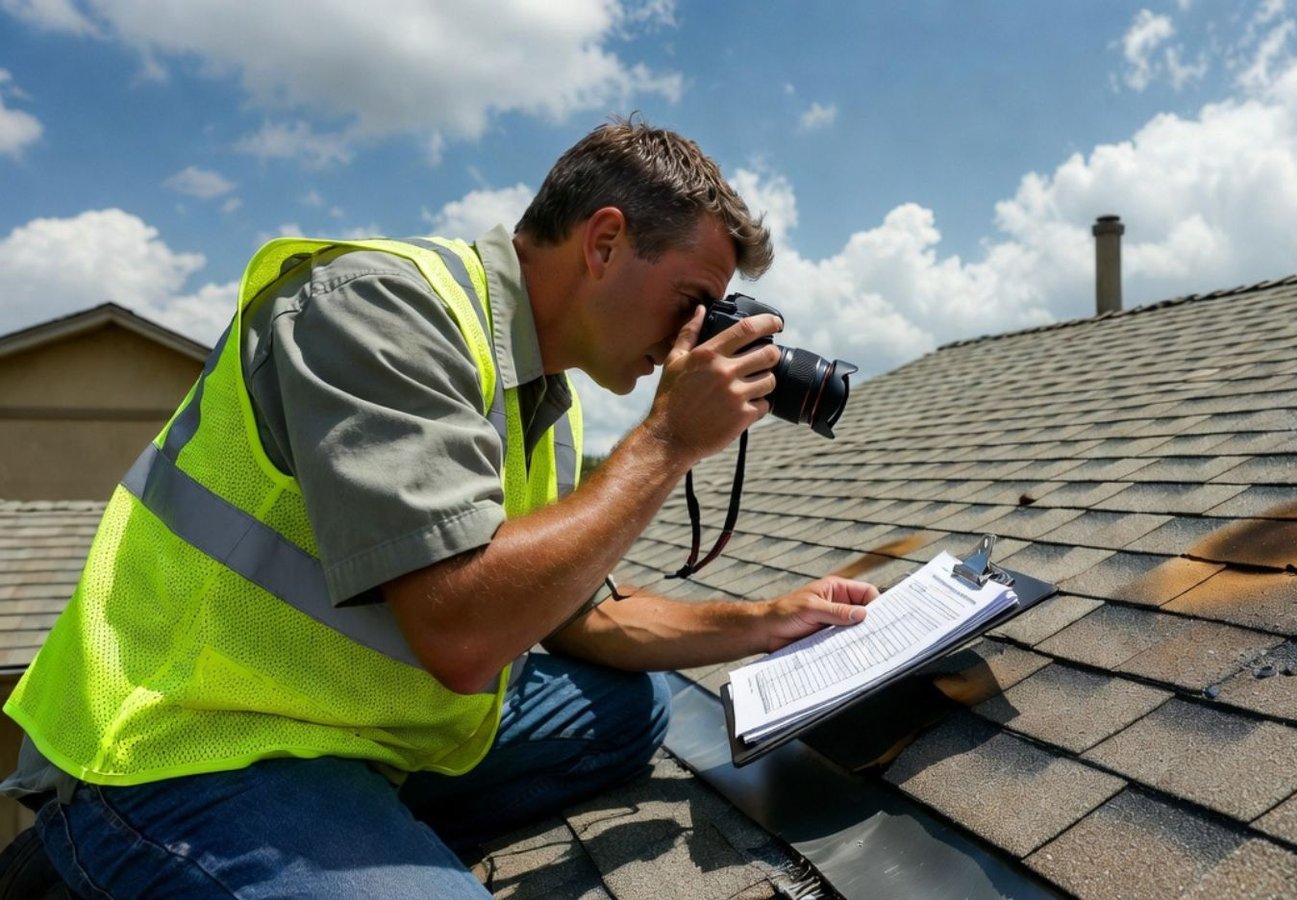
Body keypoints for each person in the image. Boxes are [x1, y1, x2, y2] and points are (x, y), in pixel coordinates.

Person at [1, 119, 878, 898]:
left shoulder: (548, 398)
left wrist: (769, 621)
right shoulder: (379, 308)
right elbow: (463, 635)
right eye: (694, 301)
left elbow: (581, 619)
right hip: (189, 744)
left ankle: (362, 831)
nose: (699, 335)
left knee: (631, 711)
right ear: (605, 240)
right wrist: (665, 444)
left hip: (353, 730)